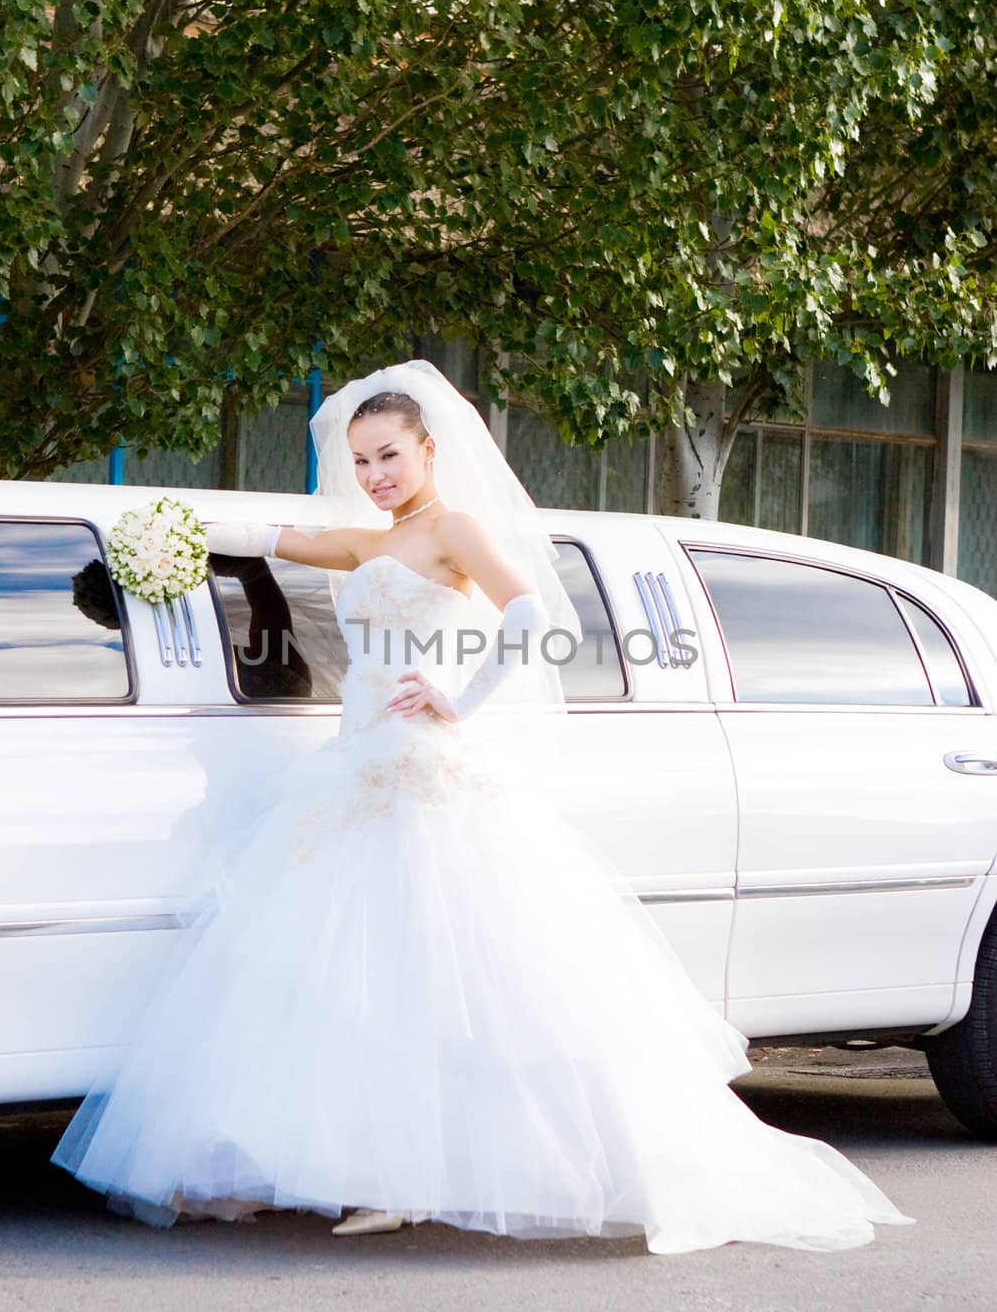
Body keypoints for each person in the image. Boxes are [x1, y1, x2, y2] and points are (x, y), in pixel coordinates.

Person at [51, 360, 915, 1252]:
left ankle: (409, 1179)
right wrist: (157, 532)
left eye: (388, 455)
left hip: (426, 773)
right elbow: (267, 534)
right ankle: (364, 1166)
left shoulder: (454, 530)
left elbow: (538, 618)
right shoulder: (362, 543)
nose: (376, 475)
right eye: (360, 463)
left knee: (439, 975)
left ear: (428, 449)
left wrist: (459, 697)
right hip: (353, 772)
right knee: (350, 985)